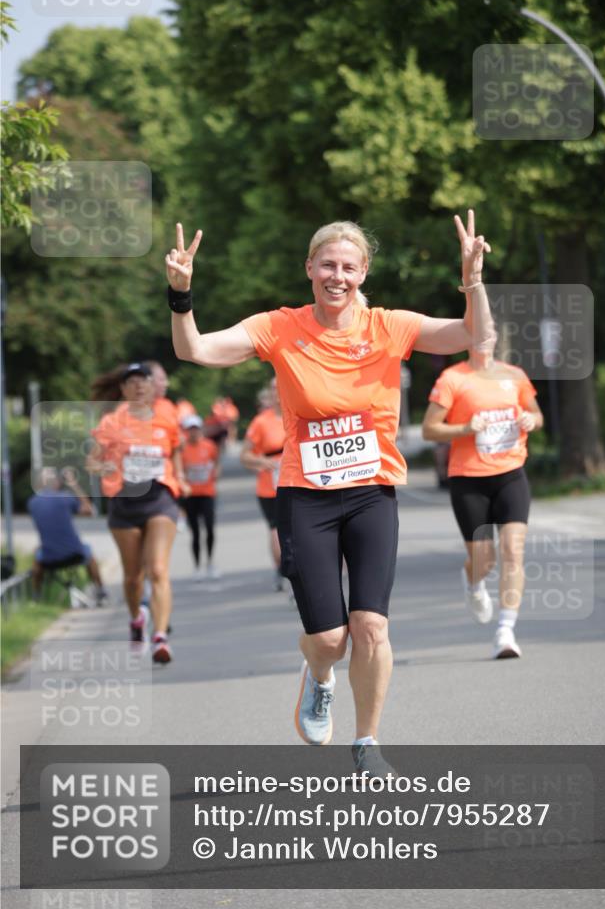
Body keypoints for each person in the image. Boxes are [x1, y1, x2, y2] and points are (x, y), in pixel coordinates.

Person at [166, 211, 494, 775]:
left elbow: (472, 335)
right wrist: (180, 294)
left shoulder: (389, 326)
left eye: (348, 266)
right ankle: (318, 676)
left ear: (364, 271)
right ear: (309, 269)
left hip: (371, 492)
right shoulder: (279, 327)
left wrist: (473, 281)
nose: (337, 276)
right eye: (327, 265)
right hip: (305, 496)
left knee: (372, 626)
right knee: (330, 638)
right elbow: (194, 349)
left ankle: (367, 742)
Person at [422, 342, 543, 659]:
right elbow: (429, 430)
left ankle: (506, 631)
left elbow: (536, 413)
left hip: (511, 473)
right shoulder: (453, 378)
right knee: (484, 561)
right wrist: (465, 428)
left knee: (512, 552)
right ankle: (473, 581)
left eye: (488, 333)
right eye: (476, 332)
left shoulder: (514, 375)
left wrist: (531, 421)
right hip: (468, 479)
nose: (483, 339)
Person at [86, 362, 189, 664]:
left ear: (150, 385)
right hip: (124, 501)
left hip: (160, 499)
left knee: (157, 570)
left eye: (143, 381)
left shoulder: (167, 415)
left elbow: (176, 448)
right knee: (133, 578)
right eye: (131, 383)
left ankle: (160, 636)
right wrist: (101, 467)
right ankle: (136, 620)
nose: (139, 386)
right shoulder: (112, 422)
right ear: (123, 389)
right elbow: (91, 460)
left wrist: (180, 476)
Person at [28, 467, 107, 604]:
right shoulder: (65, 497)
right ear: (57, 483)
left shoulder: (32, 502)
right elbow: (89, 510)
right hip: (74, 553)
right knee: (89, 553)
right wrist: (73, 484)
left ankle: (37, 596)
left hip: (48, 557)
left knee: (37, 556)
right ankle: (100, 591)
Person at [240, 378, 286, 591]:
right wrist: (262, 461)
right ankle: (280, 568)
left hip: (302, 482)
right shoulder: (261, 422)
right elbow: (245, 455)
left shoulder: (301, 413)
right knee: (277, 530)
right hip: (270, 486)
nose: (279, 392)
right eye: (275, 389)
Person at [180, 414, 220, 578]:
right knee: (195, 532)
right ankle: (197, 566)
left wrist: (216, 472)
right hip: (190, 495)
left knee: (210, 528)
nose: (193, 432)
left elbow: (216, 462)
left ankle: (210, 562)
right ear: (186, 432)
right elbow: (179, 470)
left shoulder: (209, 446)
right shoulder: (182, 449)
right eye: (190, 430)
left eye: (196, 429)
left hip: (208, 493)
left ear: (200, 429)